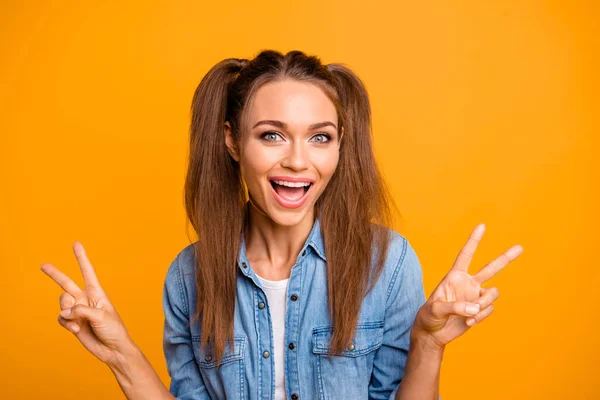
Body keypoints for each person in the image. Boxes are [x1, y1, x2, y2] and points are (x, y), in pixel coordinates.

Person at [41, 49, 523, 400]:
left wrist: (428, 341)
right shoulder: (188, 277)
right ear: (232, 142)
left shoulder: (388, 263)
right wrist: (120, 352)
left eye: (320, 137)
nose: (298, 160)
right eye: (271, 135)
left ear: (339, 147)